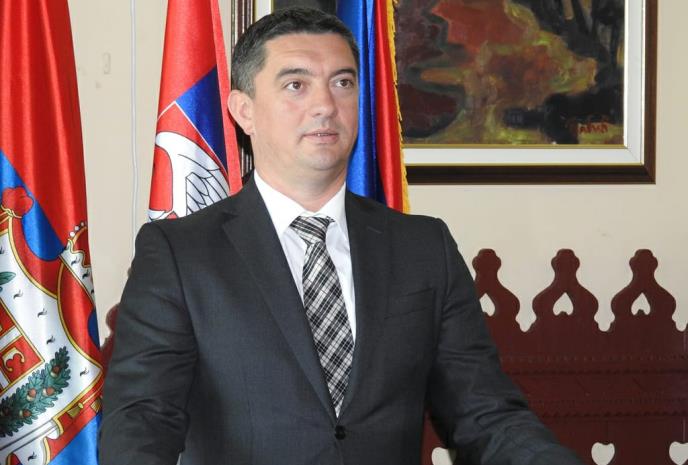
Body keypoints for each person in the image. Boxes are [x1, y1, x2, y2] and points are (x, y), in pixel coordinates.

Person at [99, 7, 584, 465]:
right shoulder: (180, 254)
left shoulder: (423, 248)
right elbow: (142, 423)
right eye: (296, 85)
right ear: (244, 111)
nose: (325, 106)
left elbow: (486, 413)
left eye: (343, 83)